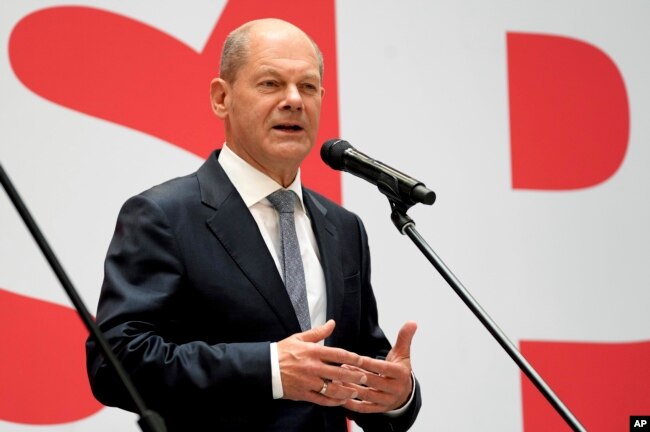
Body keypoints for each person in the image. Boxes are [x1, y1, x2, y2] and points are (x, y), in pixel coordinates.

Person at [86, 18, 421, 432]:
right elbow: (117, 360)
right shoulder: (164, 216)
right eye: (270, 84)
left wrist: (395, 396)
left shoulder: (343, 227)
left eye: (308, 86)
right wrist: (270, 370)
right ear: (221, 98)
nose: (294, 100)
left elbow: (358, 360)